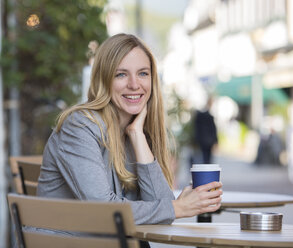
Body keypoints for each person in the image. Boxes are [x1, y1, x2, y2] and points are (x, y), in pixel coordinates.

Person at [37, 34, 222, 228]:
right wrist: (179, 207)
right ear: (104, 80)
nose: (134, 84)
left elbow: (162, 206)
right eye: (121, 74)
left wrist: (137, 135)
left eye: (143, 73)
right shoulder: (79, 127)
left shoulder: (135, 131)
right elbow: (103, 209)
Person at [194, 97, 218, 164]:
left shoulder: (199, 115)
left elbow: (197, 128)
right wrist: (216, 141)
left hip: (203, 140)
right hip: (207, 141)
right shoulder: (209, 116)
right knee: (207, 159)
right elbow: (213, 129)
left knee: (204, 158)